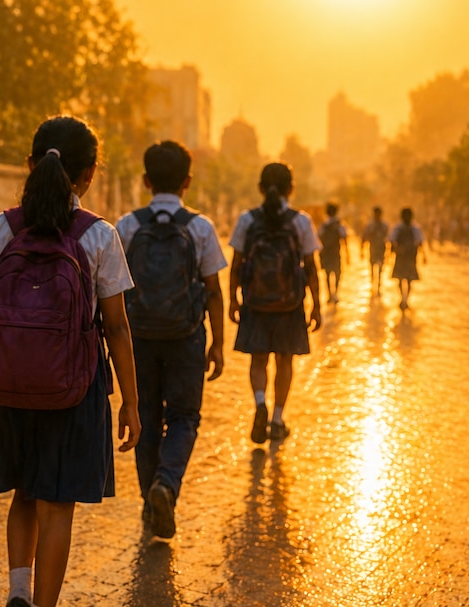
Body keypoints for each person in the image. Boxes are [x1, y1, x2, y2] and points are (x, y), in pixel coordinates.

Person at [0, 116, 140, 607]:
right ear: (90, 174)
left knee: (23, 492)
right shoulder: (98, 235)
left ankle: (18, 592)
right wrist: (131, 404)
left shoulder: (3, 227)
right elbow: (117, 327)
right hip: (75, 388)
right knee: (58, 504)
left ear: (31, 165)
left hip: (9, 380)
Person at [114, 140, 226, 540]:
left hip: (138, 338)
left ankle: (150, 499)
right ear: (187, 182)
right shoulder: (200, 227)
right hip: (185, 338)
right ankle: (166, 484)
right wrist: (217, 343)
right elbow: (213, 289)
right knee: (184, 417)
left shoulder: (126, 226)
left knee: (144, 416)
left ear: (145, 180)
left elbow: (111, 289)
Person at [227, 163, 321, 444]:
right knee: (284, 361)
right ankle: (278, 419)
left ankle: (259, 404)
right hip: (290, 306)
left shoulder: (247, 220)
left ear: (260, 188)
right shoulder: (300, 221)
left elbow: (236, 264)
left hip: (255, 303)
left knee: (258, 360)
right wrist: (317, 304)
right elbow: (312, 267)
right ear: (291, 189)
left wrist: (233, 298)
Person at [390, 207, 426, 310]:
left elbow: (420, 243)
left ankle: (406, 299)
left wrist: (424, 255)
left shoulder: (415, 229)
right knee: (401, 279)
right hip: (401, 257)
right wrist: (390, 254)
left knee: (409, 280)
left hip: (410, 257)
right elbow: (392, 243)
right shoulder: (397, 228)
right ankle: (403, 298)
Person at [318, 202, 348, 303]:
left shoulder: (324, 225)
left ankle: (329, 294)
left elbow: (319, 238)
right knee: (337, 273)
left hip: (326, 253)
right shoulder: (339, 224)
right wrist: (348, 253)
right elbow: (344, 238)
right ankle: (335, 293)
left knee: (327, 274)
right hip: (336, 253)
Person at [361, 206, 390, 295]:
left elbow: (389, 238)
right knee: (372, 268)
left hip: (381, 249)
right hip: (373, 249)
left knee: (380, 269)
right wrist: (361, 250)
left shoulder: (384, 225)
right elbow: (364, 237)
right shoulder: (371, 225)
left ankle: (378, 286)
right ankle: (373, 285)